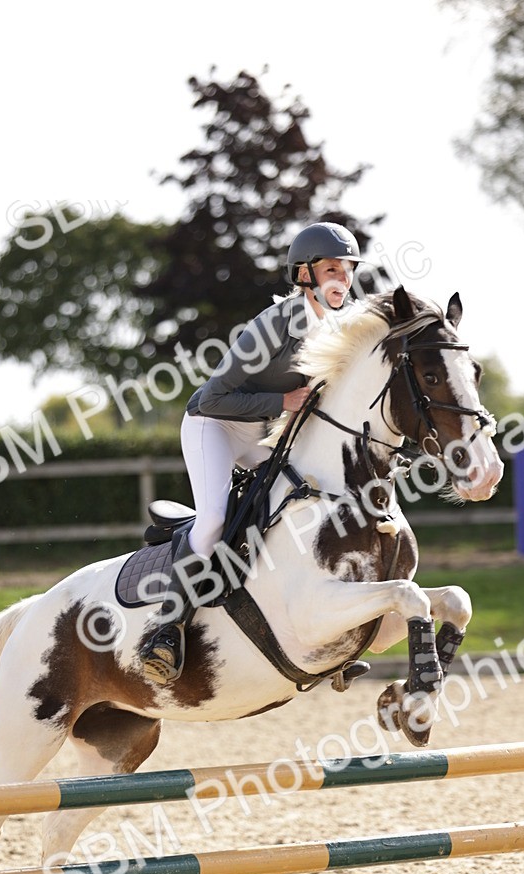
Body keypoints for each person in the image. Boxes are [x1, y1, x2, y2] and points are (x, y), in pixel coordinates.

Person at [139, 221, 364, 685]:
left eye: (346, 270)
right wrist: (282, 402)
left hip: (261, 436)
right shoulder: (273, 325)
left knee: (308, 504)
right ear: (304, 275)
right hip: (213, 427)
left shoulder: (342, 325)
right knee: (215, 520)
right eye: (329, 270)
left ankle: (322, 630)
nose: (340, 280)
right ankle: (165, 628)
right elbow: (211, 398)